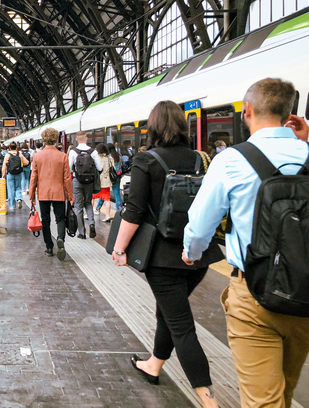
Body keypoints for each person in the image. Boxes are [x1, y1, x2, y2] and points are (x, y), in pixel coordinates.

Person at [183, 78, 309, 408]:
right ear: (290, 113)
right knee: (284, 388)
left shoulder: (232, 160)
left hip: (253, 294)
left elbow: (199, 226)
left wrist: (191, 253)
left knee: (264, 401)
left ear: (248, 110)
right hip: (306, 292)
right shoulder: (308, 152)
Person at [111, 101, 223, 408]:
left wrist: (119, 249)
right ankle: (153, 365)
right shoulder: (200, 159)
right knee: (170, 313)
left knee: (181, 326)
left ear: (153, 127)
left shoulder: (145, 160)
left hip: (163, 258)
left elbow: (133, 211)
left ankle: (209, 400)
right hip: (198, 254)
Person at [29, 127, 74, 260]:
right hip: (59, 193)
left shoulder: (37, 156)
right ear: (56, 139)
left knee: (46, 220)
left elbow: (33, 178)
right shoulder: (63, 156)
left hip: (43, 194)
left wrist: (31, 196)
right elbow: (67, 178)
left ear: (43, 139)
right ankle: (60, 238)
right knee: (60, 219)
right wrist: (70, 196)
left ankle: (49, 247)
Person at [68, 132, 103, 239]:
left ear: (77, 140)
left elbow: (69, 168)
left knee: (78, 206)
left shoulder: (73, 152)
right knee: (88, 203)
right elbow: (100, 168)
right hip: (89, 182)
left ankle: (82, 233)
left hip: (77, 181)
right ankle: (92, 224)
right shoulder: (93, 152)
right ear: (86, 139)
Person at [1, 142, 29, 210]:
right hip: (18, 173)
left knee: (11, 189)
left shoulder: (7, 155)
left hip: (10, 174)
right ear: (16, 147)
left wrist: (3, 175)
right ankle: (19, 199)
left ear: (9, 148)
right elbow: (27, 162)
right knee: (18, 187)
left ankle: (12, 206)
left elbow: (4, 166)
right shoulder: (19, 154)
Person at [92, 143, 114, 222]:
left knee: (92, 197)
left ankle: (89, 214)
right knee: (107, 199)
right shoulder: (109, 158)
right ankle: (107, 215)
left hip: (96, 181)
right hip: (106, 181)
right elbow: (113, 167)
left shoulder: (96, 158)